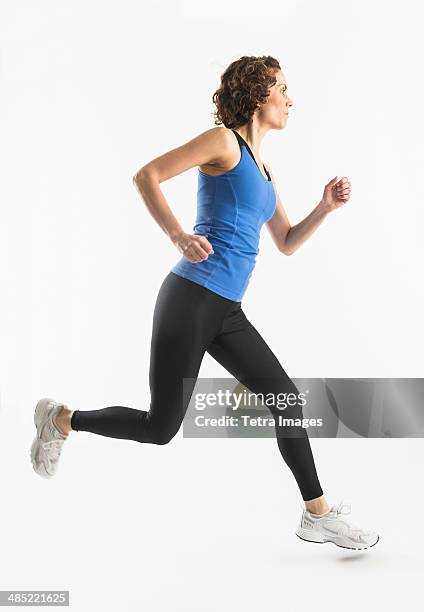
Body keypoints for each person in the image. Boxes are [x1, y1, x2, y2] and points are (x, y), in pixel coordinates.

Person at [30, 55, 379, 551]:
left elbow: (286, 241)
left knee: (286, 401)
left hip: (226, 312)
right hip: (191, 298)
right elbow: (146, 175)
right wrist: (177, 234)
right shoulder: (223, 142)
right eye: (282, 88)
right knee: (160, 428)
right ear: (259, 95)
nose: (290, 98)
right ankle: (62, 418)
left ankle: (316, 514)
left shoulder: (264, 169)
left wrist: (324, 207)